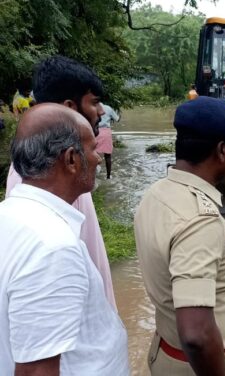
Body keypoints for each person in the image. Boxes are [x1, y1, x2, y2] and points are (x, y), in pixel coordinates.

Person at [0, 104, 129, 374]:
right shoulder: (53, 248)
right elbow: (36, 370)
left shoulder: (9, 215)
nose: (97, 157)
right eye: (92, 149)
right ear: (71, 159)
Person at [134, 97, 225, 376]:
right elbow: (197, 334)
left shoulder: (157, 194)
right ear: (222, 150)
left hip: (166, 352)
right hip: (197, 367)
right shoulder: (199, 220)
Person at [4, 55, 116, 309]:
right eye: (95, 102)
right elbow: (43, 285)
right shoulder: (34, 177)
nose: (100, 111)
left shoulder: (72, 165)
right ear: (70, 107)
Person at [96, 103, 120, 179]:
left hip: (94, 131)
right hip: (106, 132)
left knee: (92, 154)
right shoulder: (108, 108)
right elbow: (117, 119)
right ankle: (108, 176)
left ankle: (93, 175)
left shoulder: (92, 106)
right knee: (107, 155)